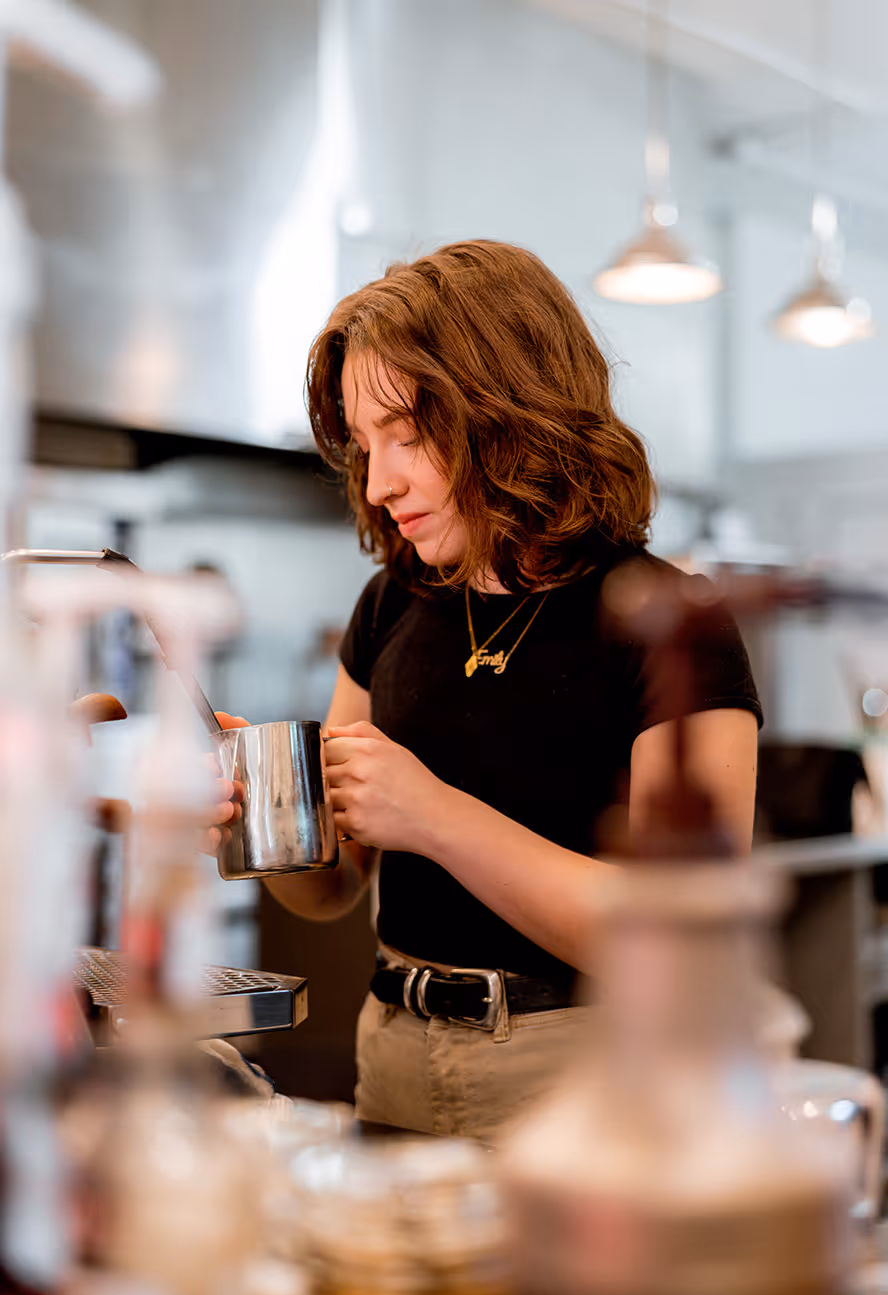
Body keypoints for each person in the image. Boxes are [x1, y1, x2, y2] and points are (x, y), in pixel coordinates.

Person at [215, 239, 761, 1140]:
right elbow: (334, 883)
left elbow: (681, 941)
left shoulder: (667, 621)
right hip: (391, 1050)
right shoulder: (392, 603)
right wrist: (260, 819)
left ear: (510, 409)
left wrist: (431, 813)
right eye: (364, 446)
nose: (381, 483)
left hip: (585, 1078)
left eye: (410, 436)